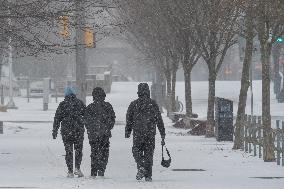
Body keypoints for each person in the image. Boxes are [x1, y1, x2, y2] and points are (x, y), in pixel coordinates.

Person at [125, 83, 166, 182]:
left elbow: (129, 119)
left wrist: (128, 131)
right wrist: (162, 132)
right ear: (148, 91)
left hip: (138, 133)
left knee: (136, 150)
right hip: (150, 133)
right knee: (149, 154)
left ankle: (141, 167)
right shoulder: (153, 104)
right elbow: (159, 119)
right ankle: (148, 176)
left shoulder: (133, 104)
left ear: (138, 92)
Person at [52, 86, 86, 178]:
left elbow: (57, 119)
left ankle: (70, 171)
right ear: (74, 94)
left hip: (66, 131)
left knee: (68, 151)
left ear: (65, 95)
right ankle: (77, 168)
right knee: (78, 150)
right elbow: (87, 116)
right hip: (78, 130)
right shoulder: (80, 103)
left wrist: (54, 131)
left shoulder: (62, 104)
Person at [85, 87, 116, 178]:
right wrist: (108, 128)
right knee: (104, 152)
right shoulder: (108, 106)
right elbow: (112, 119)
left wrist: (90, 130)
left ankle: (93, 171)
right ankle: (101, 170)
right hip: (104, 134)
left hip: (93, 134)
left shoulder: (90, 107)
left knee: (94, 151)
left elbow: (86, 121)